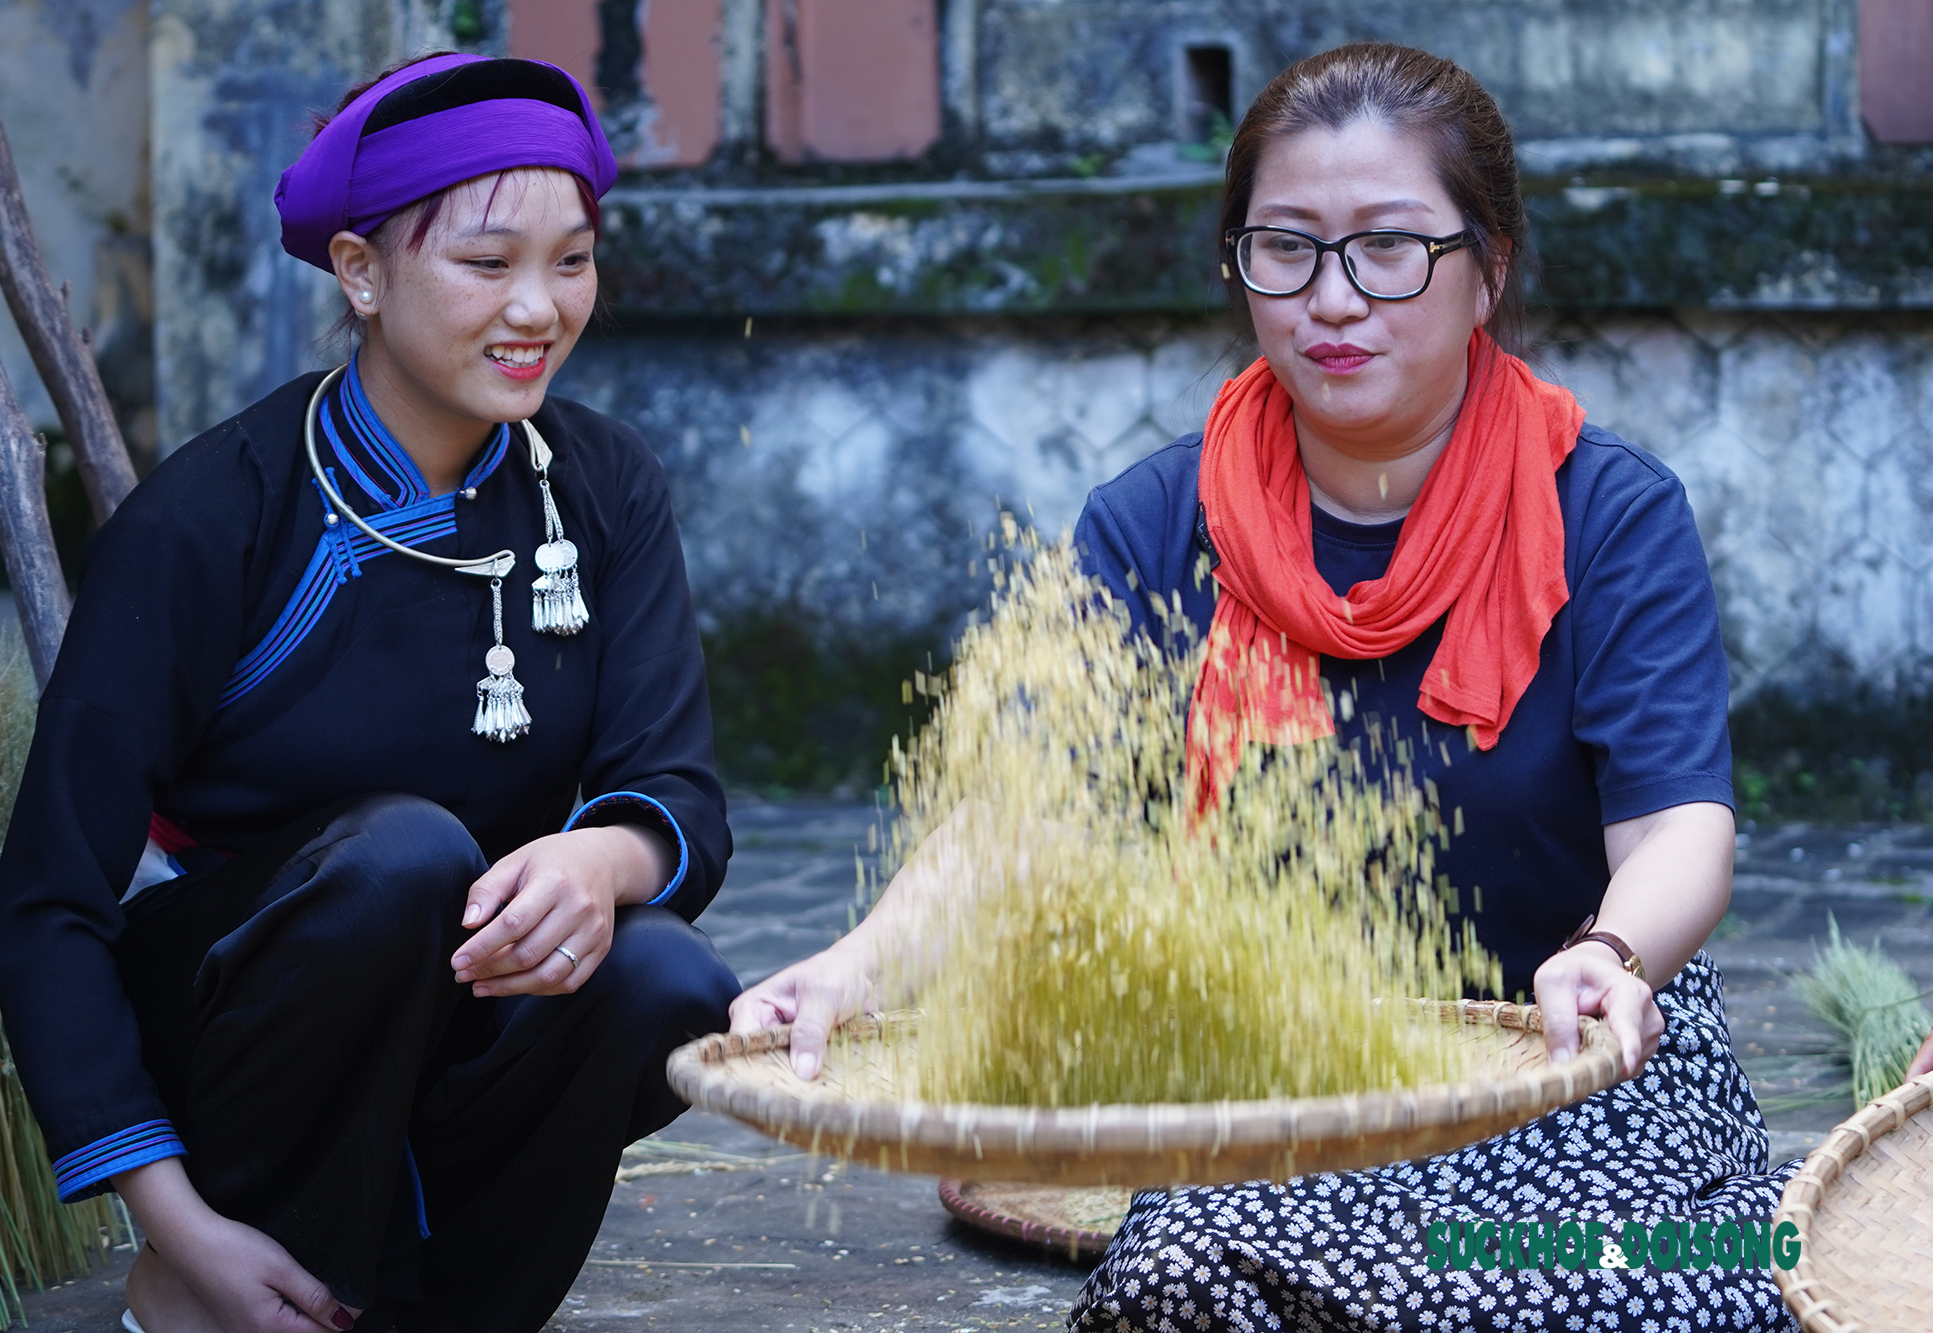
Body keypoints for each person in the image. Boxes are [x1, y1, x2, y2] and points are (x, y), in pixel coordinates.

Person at [732, 43, 1799, 1332]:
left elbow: (1677, 825)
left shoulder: (1607, 511)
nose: (1332, 299)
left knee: (1657, 1286)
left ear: (1487, 271)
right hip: (1296, 1073)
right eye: (1282, 248)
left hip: (1574, 1049)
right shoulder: (1153, 521)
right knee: (1182, 1275)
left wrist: (1611, 954)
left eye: (1389, 248)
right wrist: (857, 968)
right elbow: (1027, 822)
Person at [0, 53, 739, 1333]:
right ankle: (206, 1294)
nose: (539, 308)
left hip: (468, 1001)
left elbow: (674, 790)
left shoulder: (601, 485)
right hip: (239, 1019)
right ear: (359, 272)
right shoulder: (211, 518)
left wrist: (602, 858)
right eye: (487, 262)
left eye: (571, 260)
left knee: (667, 985)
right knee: (399, 856)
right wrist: (176, 1224)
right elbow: (51, 901)